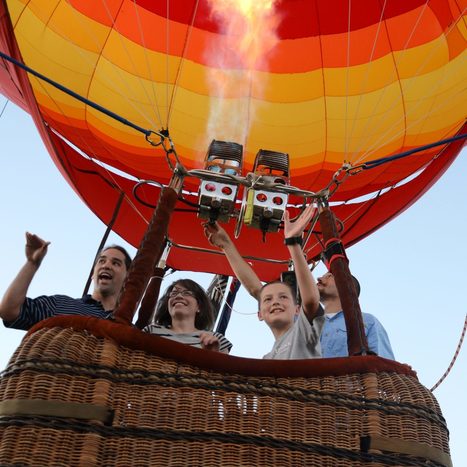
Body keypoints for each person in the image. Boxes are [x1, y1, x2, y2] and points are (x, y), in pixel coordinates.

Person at [204, 204, 324, 359]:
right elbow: (255, 290)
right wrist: (226, 245)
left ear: (297, 309)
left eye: (283, 297)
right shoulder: (268, 359)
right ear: (260, 314)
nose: (275, 302)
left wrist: (293, 243)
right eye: (268, 299)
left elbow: (311, 300)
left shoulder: (304, 332)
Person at [0, 232, 132, 330]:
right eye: (101, 261)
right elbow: (9, 311)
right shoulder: (59, 304)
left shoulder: (128, 328)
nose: (106, 265)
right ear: (93, 275)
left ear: (127, 279)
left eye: (116, 263)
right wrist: (32, 263)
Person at [317, 271, 395, 359]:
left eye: (329, 276)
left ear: (348, 287)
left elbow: (382, 365)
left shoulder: (368, 321)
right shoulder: (307, 323)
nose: (319, 279)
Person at [144, 279, 232, 353]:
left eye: (187, 293)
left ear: (199, 307)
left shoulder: (217, 340)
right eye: (173, 293)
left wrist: (211, 355)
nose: (178, 296)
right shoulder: (151, 331)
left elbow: (223, 373)